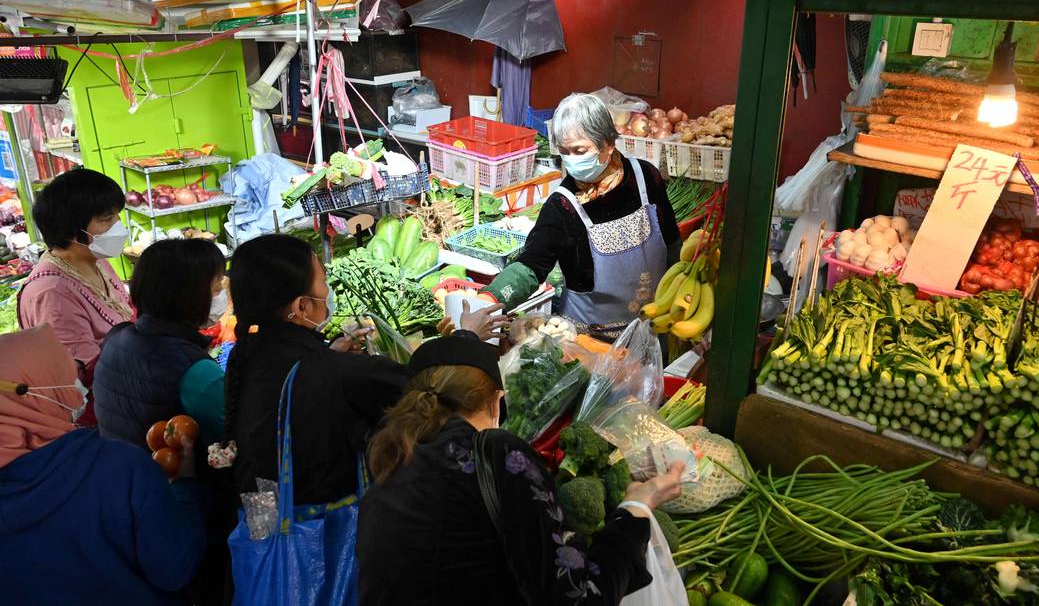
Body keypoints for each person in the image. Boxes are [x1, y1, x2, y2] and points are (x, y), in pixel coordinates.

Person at [357, 335, 685, 605]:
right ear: (495, 401)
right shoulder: (496, 454)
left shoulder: (386, 472)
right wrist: (635, 510)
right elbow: (578, 597)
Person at [223, 234, 506, 506]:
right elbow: (431, 387)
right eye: (323, 281)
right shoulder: (340, 373)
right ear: (301, 306)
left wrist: (326, 353)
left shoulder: (247, 355)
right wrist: (466, 337)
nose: (329, 289)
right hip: (330, 532)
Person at [0, 325, 206, 606]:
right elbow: (175, 568)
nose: (76, 378)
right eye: (64, 371)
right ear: (34, 392)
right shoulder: (120, 468)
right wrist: (186, 485)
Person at [483, 93, 680, 339]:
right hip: (590, 343)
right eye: (565, 152)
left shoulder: (646, 178)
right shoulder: (563, 206)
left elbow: (672, 242)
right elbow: (531, 265)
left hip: (654, 326)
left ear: (608, 143)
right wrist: (490, 297)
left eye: (580, 150)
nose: (572, 160)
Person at [17, 167, 133, 423]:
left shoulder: (96, 259)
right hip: (95, 412)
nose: (118, 228)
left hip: (124, 387)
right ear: (71, 230)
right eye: (107, 219)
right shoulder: (51, 292)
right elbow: (85, 374)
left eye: (117, 217)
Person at [95, 238, 228, 447]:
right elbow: (229, 437)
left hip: (119, 469)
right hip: (170, 476)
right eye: (217, 283)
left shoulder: (115, 339)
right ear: (189, 295)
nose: (222, 291)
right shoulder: (197, 372)